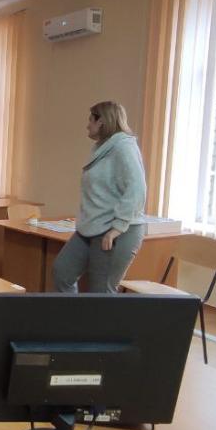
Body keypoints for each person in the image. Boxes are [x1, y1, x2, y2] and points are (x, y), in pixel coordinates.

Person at [51, 101, 147, 294]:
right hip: (92, 227)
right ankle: (72, 315)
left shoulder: (123, 147)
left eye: (90, 120)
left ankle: (100, 317)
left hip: (116, 231)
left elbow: (137, 189)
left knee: (101, 292)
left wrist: (117, 228)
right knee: (62, 272)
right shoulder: (102, 147)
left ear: (101, 121)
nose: (87, 125)